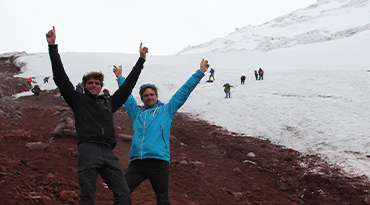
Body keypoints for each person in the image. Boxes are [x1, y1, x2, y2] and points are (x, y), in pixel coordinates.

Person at [46, 26, 148, 205]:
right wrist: (52, 47)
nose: (93, 85)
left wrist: (140, 61)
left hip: (108, 152)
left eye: (97, 83)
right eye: (90, 83)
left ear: (101, 86)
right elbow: (60, 77)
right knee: (88, 194)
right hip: (88, 149)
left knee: (123, 193)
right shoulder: (77, 100)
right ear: (85, 85)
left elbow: (127, 88)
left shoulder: (109, 103)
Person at [114, 58, 210, 205]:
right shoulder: (137, 113)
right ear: (142, 99)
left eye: (152, 94)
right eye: (146, 95)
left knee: (162, 199)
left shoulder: (166, 111)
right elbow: (126, 97)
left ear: (156, 96)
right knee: (122, 194)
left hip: (159, 162)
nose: (149, 97)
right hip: (137, 163)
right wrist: (120, 78)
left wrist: (200, 72)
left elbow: (183, 92)